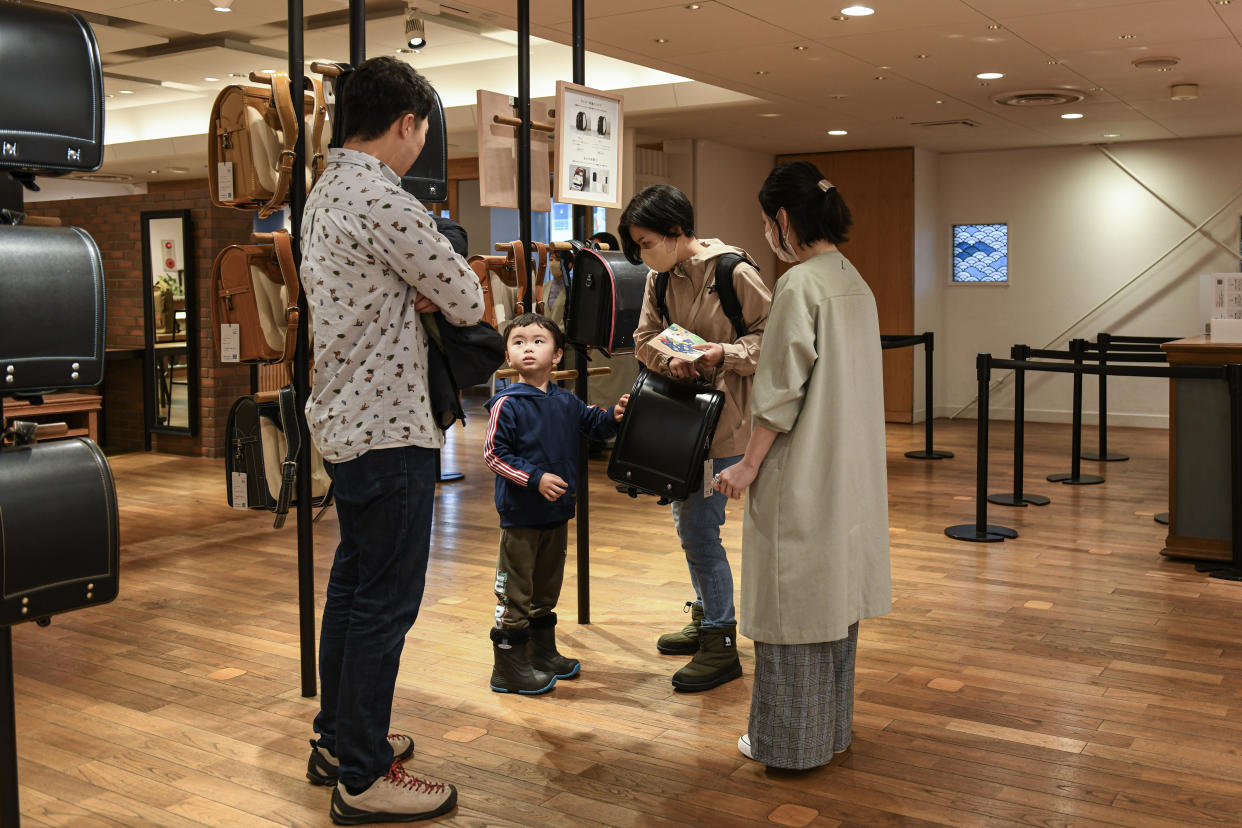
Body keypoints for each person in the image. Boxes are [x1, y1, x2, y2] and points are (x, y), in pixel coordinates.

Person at [300, 56, 484, 824]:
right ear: (407, 124)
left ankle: (340, 741)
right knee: (384, 602)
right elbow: (468, 300)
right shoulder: (383, 197)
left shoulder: (321, 192)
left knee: (352, 588)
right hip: (390, 428)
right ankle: (365, 778)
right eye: (423, 132)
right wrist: (427, 291)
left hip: (344, 421)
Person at [715, 161, 892, 770]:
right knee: (832, 603)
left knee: (792, 608)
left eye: (767, 220)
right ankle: (830, 730)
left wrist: (746, 466)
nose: (767, 231)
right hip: (849, 470)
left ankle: (789, 745)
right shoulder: (851, 278)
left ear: (784, 219)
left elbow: (780, 393)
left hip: (804, 469)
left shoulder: (798, 284)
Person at [620, 184, 772, 692]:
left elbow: (773, 341)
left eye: (646, 243)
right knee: (692, 526)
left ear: (677, 231)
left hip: (727, 425)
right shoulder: (658, 278)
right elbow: (643, 339)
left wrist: (718, 355)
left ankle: (720, 640)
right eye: (637, 246)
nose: (642, 255)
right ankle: (708, 612)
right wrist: (674, 360)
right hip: (681, 422)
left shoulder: (732, 271)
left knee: (699, 532)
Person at [483, 313, 628, 693]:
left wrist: (612, 416)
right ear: (508, 355)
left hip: (557, 513)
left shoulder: (566, 401)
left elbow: (594, 424)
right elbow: (494, 455)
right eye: (518, 342)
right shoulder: (507, 403)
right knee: (515, 591)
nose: (527, 347)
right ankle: (508, 667)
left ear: (558, 354)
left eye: (537, 340)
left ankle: (540, 652)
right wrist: (535, 478)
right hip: (520, 517)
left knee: (546, 588)